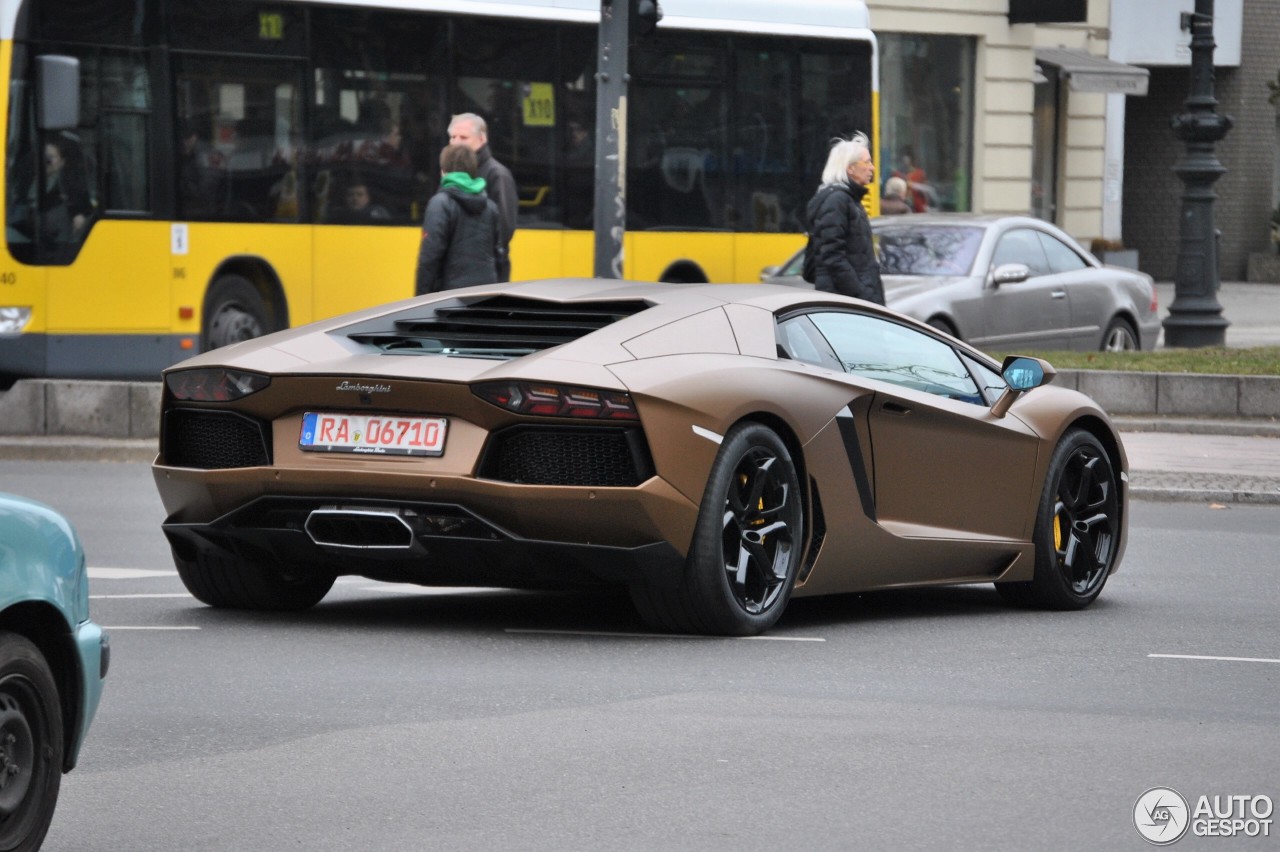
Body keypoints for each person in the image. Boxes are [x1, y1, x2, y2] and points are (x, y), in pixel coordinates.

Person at [804, 132, 884, 304]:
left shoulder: (849, 199)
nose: (872, 168)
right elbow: (833, 256)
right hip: (847, 303)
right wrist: (860, 295)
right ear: (850, 168)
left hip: (853, 300)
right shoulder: (837, 201)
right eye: (867, 162)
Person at [414, 144, 503, 294]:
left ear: (443, 172)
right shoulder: (490, 206)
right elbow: (499, 254)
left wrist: (419, 299)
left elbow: (429, 258)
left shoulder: (440, 204)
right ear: (473, 171)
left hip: (451, 296)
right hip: (487, 293)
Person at [448, 112, 516, 281]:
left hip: (486, 271)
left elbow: (504, 228)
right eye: (452, 137)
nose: (456, 143)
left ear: (481, 139)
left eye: (463, 137)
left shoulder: (498, 175)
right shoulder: (452, 172)